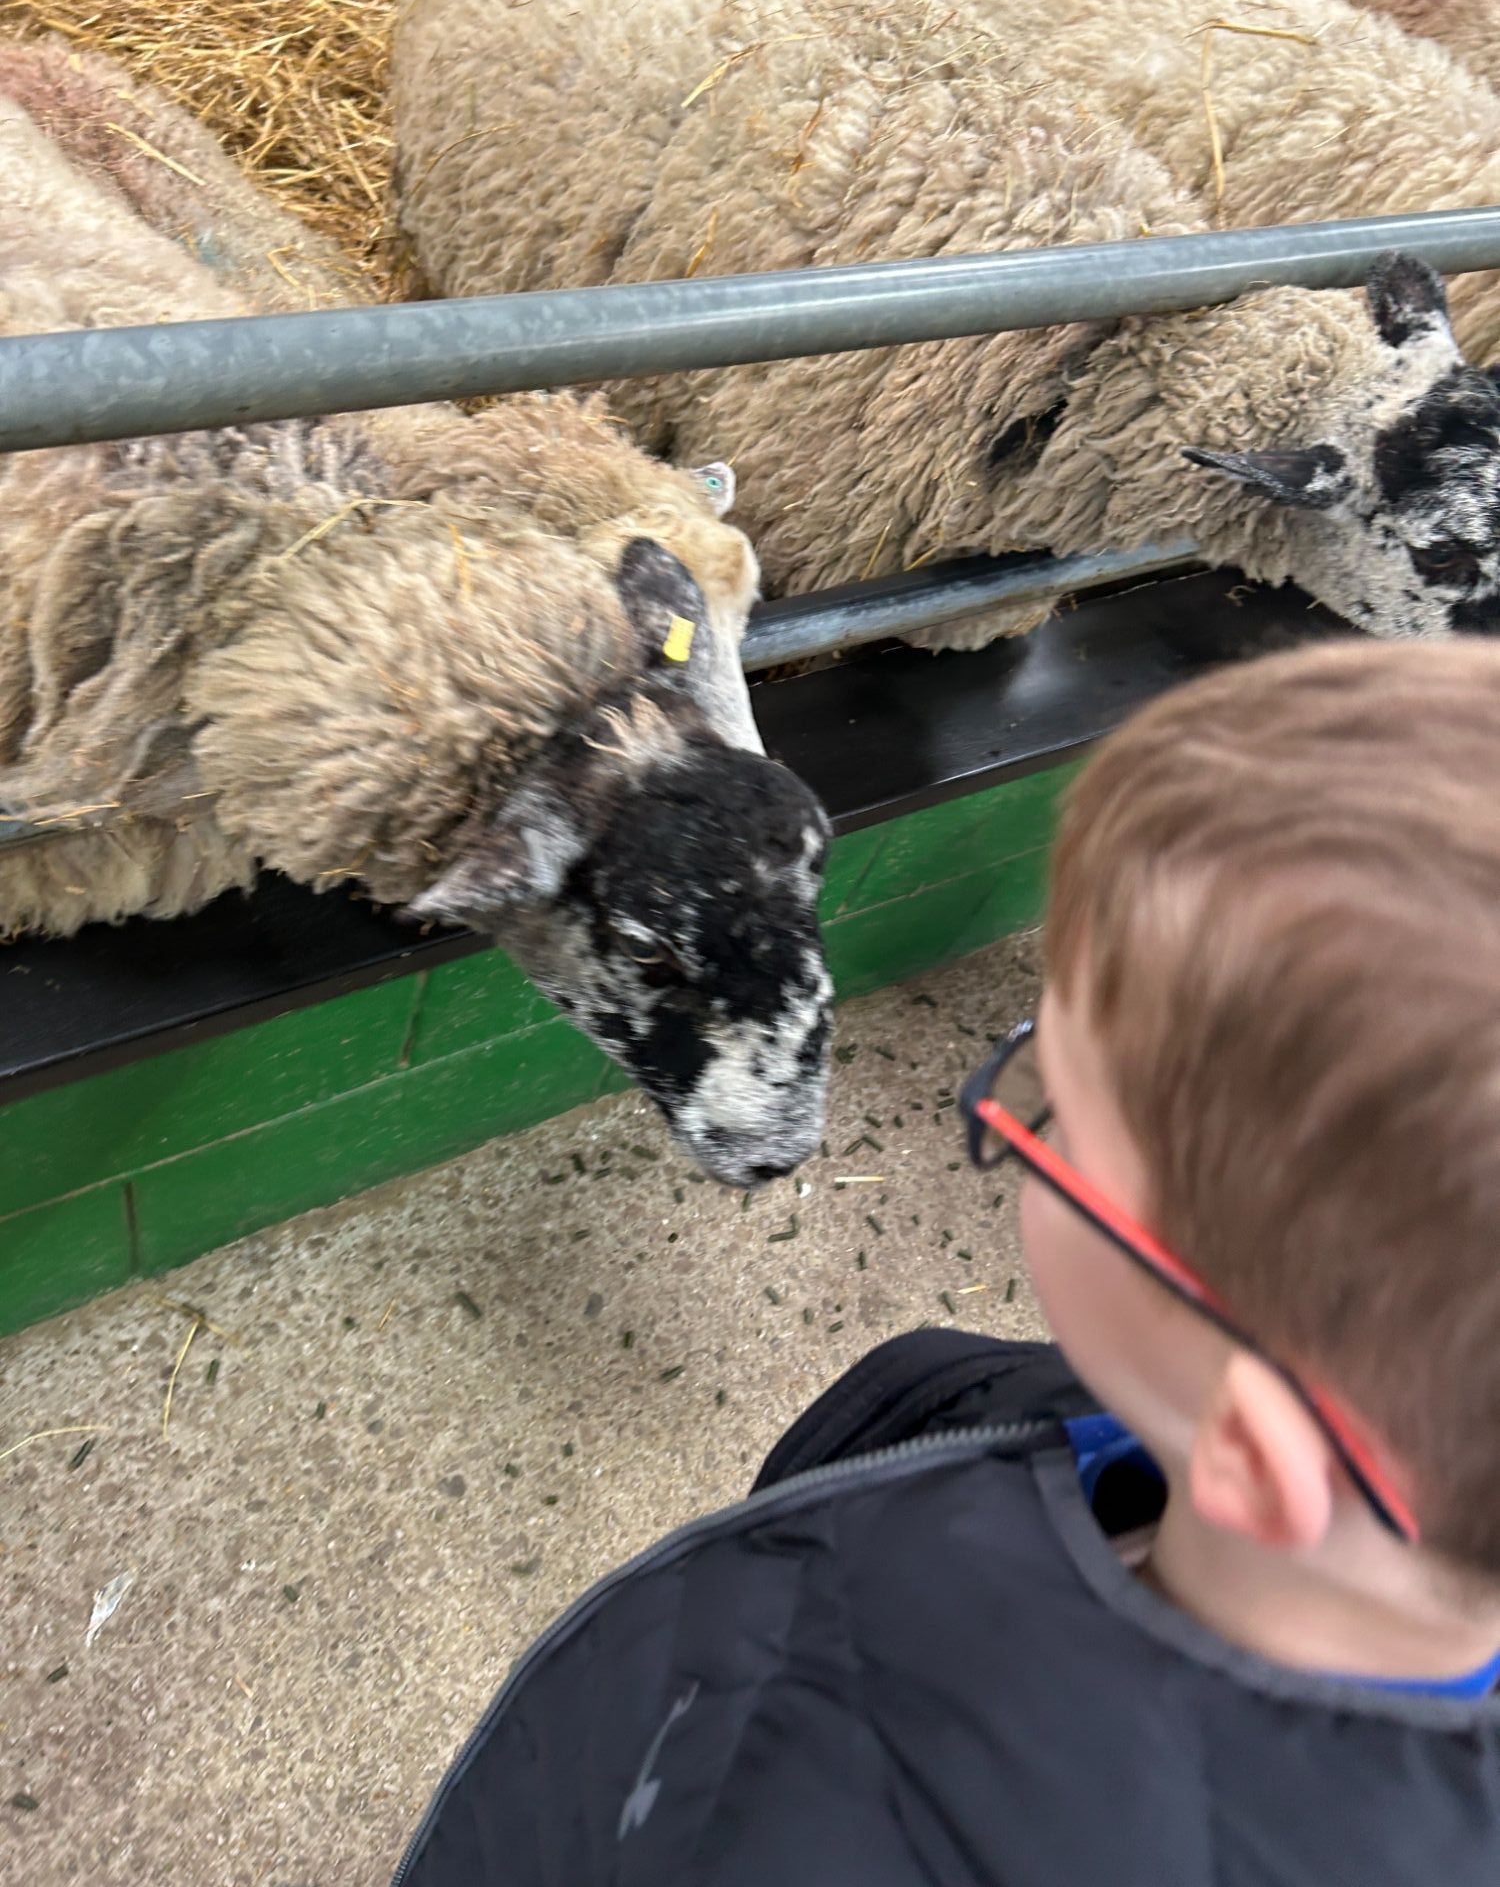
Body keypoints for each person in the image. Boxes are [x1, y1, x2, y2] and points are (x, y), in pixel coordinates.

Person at [393, 639, 1500, 1886]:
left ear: (1261, 1451)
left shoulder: (815, 1821)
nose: (1006, 1111)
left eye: (1046, 1109)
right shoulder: (999, 1400)